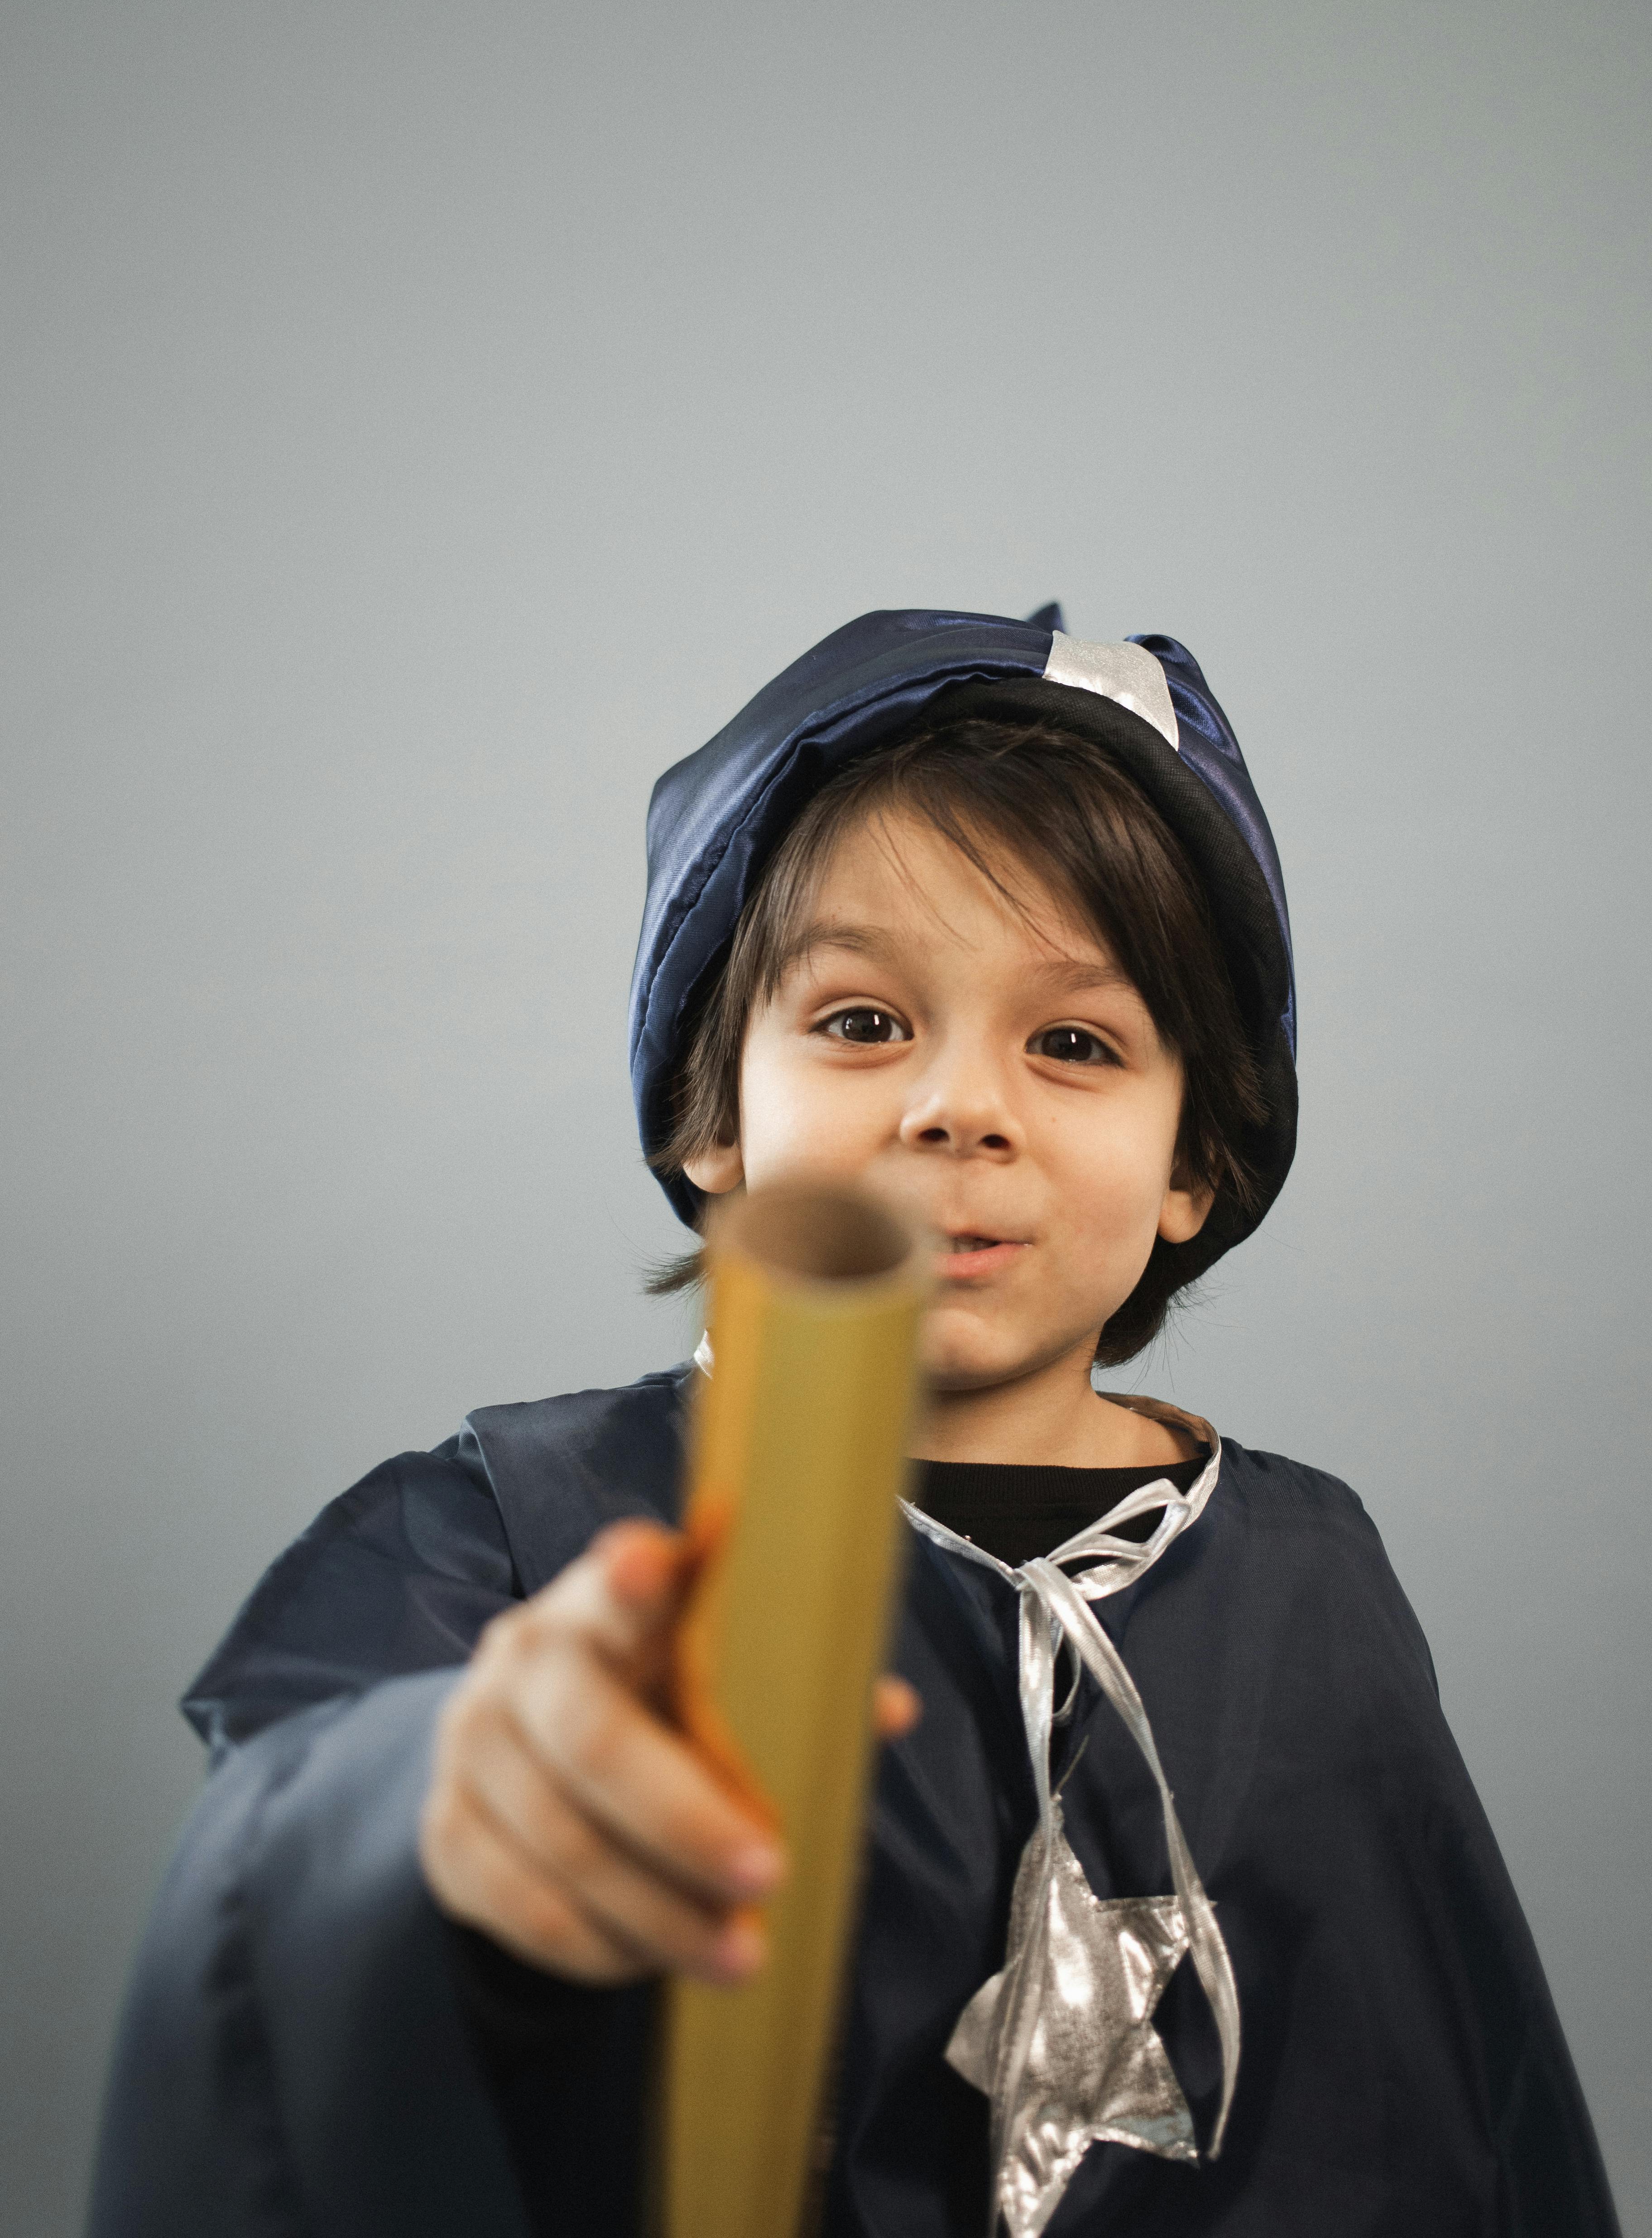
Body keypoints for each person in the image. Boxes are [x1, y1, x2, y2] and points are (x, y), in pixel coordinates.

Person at [87, 606, 1619, 2237]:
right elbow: (285, 1875)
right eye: (864, 1022)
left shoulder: (1314, 1585)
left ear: (1194, 1165)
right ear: (714, 1110)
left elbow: (1459, 2117)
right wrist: (449, 1812)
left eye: (1076, 1042)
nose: (959, 1105)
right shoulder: (512, 1534)